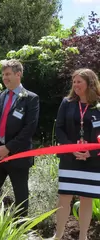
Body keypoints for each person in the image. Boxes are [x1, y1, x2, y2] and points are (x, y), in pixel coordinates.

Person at [0, 59, 39, 217]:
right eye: (3, 74)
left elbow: (29, 128)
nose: (4, 78)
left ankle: (19, 232)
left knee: (21, 198)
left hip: (18, 156)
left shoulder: (30, 98)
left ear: (18, 74)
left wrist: (8, 148)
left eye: (8, 74)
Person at [54, 68, 100, 240]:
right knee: (64, 197)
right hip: (69, 159)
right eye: (74, 81)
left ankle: (83, 236)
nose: (75, 84)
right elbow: (59, 128)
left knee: (86, 198)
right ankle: (58, 236)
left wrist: (91, 153)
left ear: (90, 83)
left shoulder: (99, 105)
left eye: (79, 81)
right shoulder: (67, 103)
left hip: (92, 161)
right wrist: (70, 148)